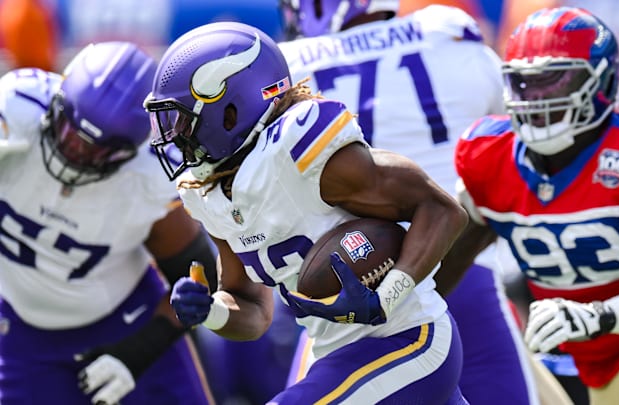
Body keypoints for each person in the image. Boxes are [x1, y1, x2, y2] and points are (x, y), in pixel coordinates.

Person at [146, 21, 469, 404]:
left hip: (406, 338)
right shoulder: (211, 193)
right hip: (335, 354)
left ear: (230, 111)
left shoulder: (298, 152)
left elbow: (443, 209)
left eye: (184, 121)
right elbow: (251, 309)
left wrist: (387, 294)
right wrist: (211, 311)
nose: (176, 138)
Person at [277, 2, 571, 404]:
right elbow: (518, 143)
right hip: (464, 270)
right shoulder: (447, 35)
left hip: (349, 288)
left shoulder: (290, 69)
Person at [440, 6, 619, 404]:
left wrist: (600, 313)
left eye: (556, 81)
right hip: (593, 349)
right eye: (525, 84)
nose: (537, 98)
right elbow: (443, 265)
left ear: (602, 81)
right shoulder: (490, 157)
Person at [0, 41, 216, 404]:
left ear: (129, 152)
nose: (74, 154)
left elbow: (200, 276)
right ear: (57, 103)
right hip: (23, 331)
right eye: (70, 134)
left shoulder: (150, 176)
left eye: (96, 151)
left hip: (125, 322)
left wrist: (139, 351)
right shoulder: (16, 111)